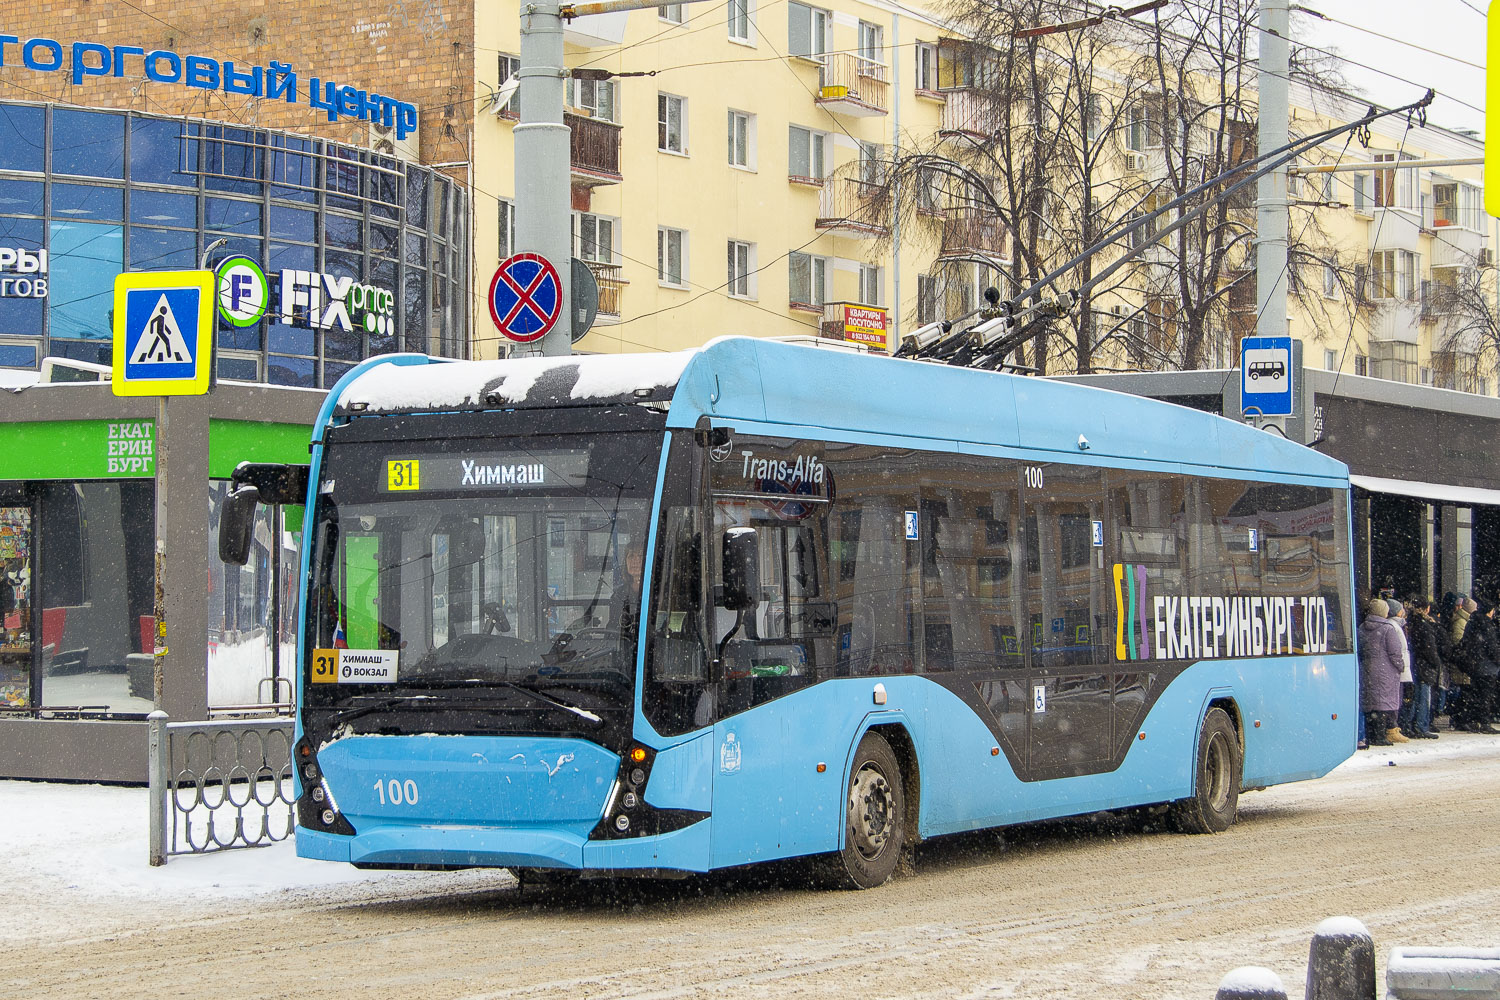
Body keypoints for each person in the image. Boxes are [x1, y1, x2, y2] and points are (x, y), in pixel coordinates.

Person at [1359, 598, 1407, 746]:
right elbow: (1395, 652)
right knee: (1383, 704)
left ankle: (1371, 734)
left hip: (1368, 669)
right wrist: (1401, 666)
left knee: (1372, 702)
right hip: (1386, 671)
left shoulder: (1362, 627)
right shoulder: (1388, 629)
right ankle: (1380, 736)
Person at [1403, 597, 1441, 738]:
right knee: (1423, 697)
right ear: (1427, 609)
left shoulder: (1411, 623)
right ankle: (1421, 726)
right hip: (1424, 666)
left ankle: (1411, 725)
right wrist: (1436, 662)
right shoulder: (1425, 626)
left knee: (1415, 697)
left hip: (1414, 664)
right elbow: (1429, 649)